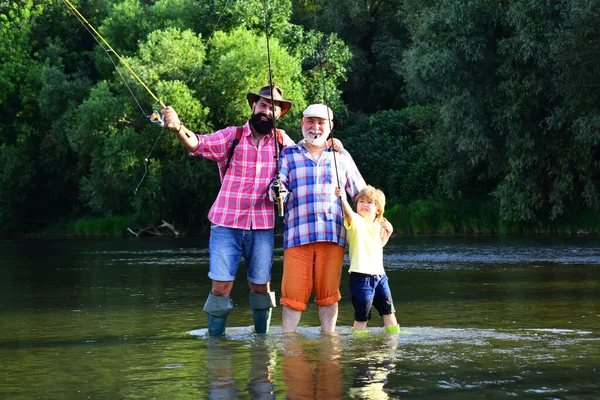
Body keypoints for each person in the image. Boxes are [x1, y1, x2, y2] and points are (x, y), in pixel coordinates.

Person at [161, 85, 295, 336]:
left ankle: (262, 347)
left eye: (273, 108)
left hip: (262, 226)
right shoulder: (232, 136)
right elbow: (197, 144)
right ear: (253, 107)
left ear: (279, 115)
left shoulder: (283, 142)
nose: (267, 111)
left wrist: (332, 143)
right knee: (221, 287)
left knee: (261, 287)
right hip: (226, 223)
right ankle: (216, 347)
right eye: (263, 105)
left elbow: (305, 156)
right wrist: (178, 126)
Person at [275, 104, 366, 333]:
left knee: (328, 296)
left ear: (330, 126)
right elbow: (278, 187)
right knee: (292, 297)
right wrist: (278, 192)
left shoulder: (341, 155)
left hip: (333, 236)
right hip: (298, 237)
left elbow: (362, 194)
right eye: (310, 121)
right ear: (302, 123)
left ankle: (329, 345)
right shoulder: (288, 154)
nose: (315, 127)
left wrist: (381, 218)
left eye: (321, 122)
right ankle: (289, 344)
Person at [335, 184, 399, 334]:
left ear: (378, 209)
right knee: (362, 315)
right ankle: (360, 346)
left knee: (389, 311)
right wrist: (343, 198)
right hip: (360, 277)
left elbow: (377, 247)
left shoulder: (378, 224)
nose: (364, 205)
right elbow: (349, 214)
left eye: (369, 202)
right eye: (361, 201)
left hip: (380, 276)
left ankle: (393, 340)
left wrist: (389, 232)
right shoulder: (355, 220)